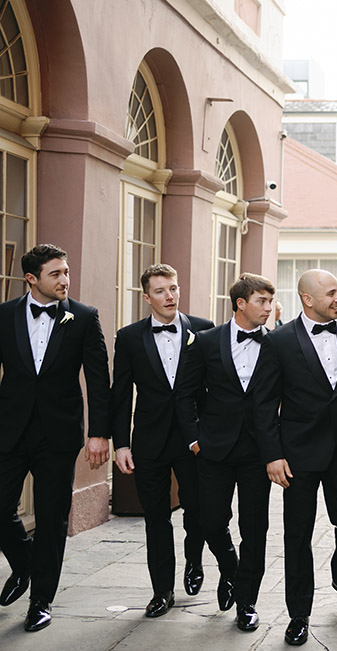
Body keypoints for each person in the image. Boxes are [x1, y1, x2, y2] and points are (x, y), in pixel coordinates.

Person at [254, 269, 337, 646]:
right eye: (331, 293)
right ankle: (299, 613)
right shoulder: (278, 342)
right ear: (307, 299)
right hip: (298, 456)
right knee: (297, 535)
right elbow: (264, 405)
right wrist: (273, 455)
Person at [0, 244, 110, 632]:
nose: (65, 280)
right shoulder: (5, 315)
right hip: (9, 430)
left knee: (50, 519)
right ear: (31, 279)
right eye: (56, 274)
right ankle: (25, 565)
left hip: (58, 436)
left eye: (66, 272)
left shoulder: (83, 317)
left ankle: (40, 600)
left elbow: (99, 379)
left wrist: (99, 433)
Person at [109, 264, 230, 618]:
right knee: (156, 518)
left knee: (199, 509)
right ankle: (162, 590)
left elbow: (217, 389)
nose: (170, 296)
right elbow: (120, 394)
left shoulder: (204, 330)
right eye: (161, 291)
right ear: (146, 297)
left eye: (174, 288)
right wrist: (121, 444)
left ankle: (194, 561)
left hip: (195, 440)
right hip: (149, 440)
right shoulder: (129, 337)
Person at [177, 273, 276, 632]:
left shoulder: (276, 343)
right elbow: (184, 394)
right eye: (262, 301)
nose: (269, 308)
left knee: (255, 527)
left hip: (257, 451)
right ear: (240, 304)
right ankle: (230, 568)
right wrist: (194, 439)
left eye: (270, 301)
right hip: (213, 447)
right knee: (210, 520)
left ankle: (246, 601)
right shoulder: (204, 341)